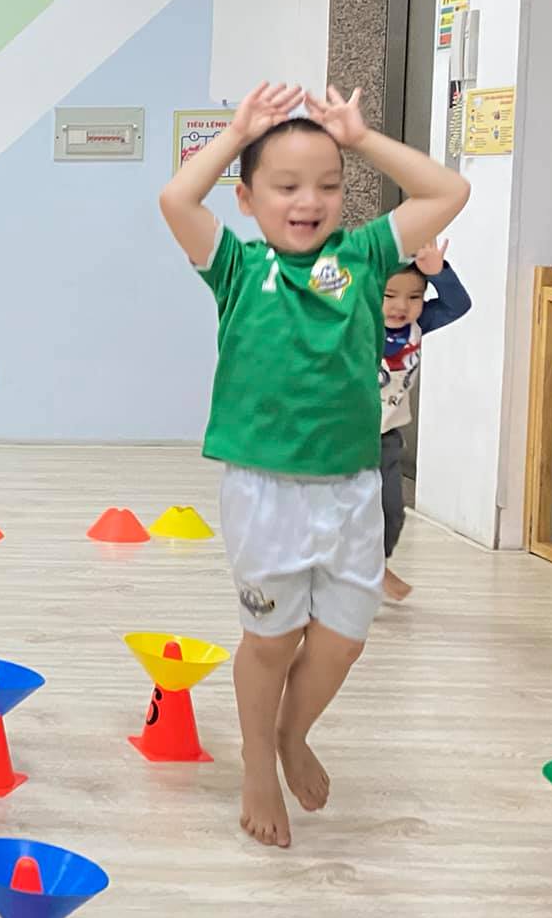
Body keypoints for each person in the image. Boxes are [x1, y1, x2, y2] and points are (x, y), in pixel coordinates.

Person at [159, 82, 469, 849]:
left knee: (343, 639)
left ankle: (291, 733)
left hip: (353, 486)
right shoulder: (237, 268)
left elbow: (447, 191)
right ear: (248, 198)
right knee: (271, 641)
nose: (310, 201)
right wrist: (236, 134)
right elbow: (176, 199)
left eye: (329, 185)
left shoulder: (360, 258)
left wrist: (360, 139)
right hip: (265, 492)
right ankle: (257, 760)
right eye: (288, 186)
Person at [378, 238, 472, 602]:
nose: (402, 306)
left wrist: (439, 273)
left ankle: (372, 566)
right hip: (344, 436)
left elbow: (458, 304)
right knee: (346, 513)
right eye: (389, 295)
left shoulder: (418, 325)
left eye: (414, 296)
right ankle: (358, 574)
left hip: (386, 438)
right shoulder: (359, 324)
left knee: (392, 512)